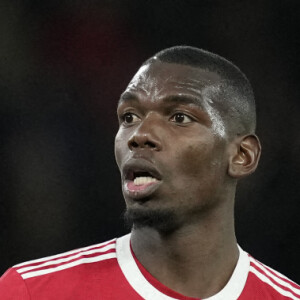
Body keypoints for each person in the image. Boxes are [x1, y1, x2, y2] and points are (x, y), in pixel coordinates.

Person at [0, 46, 299, 299]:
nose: (139, 134)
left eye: (180, 117)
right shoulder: (31, 291)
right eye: (129, 116)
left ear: (242, 156)